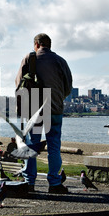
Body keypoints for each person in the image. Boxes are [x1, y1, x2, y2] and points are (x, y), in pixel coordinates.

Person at [15, 33, 73, 194]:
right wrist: (57, 98)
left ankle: (29, 182)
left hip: (33, 109)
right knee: (54, 146)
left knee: (31, 145)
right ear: (49, 45)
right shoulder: (60, 61)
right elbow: (68, 86)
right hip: (54, 108)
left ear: (36, 44)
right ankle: (54, 183)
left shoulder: (29, 58)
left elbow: (19, 82)